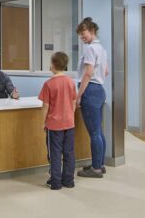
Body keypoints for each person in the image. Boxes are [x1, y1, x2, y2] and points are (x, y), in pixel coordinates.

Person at [75, 17, 109, 179]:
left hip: (90, 90)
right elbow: (106, 71)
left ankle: (95, 169)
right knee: (98, 131)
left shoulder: (90, 49)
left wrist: (78, 96)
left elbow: (88, 73)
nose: (82, 37)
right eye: (80, 35)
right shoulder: (102, 49)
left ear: (92, 31)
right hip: (100, 90)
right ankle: (99, 164)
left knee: (94, 133)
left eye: (83, 33)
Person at [38, 52, 77, 190]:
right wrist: (69, 115)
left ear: (53, 65)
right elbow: (74, 102)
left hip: (54, 126)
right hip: (69, 124)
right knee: (69, 153)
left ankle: (56, 183)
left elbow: (45, 106)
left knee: (55, 154)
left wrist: (43, 122)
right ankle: (69, 181)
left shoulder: (48, 84)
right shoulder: (71, 82)